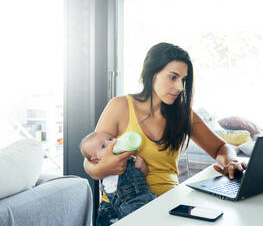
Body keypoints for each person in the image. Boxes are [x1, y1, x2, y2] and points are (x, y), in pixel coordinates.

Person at [83, 42, 247, 225]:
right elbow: (90, 159)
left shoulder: (183, 114)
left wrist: (230, 161)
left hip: (171, 205)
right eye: (173, 77)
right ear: (152, 74)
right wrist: (102, 169)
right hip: (122, 209)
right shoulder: (120, 106)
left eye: (183, 80)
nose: (180, 87)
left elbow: (220, 148)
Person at [80, 131, 155, 222]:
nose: (112, 143)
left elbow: (142, 175)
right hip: (116, 210)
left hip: (144, 199)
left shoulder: (128, 157)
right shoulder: (108, 170)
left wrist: (142, 166)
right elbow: (113, 192)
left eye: (110, 138)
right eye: (103, 146)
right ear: (97, 159)